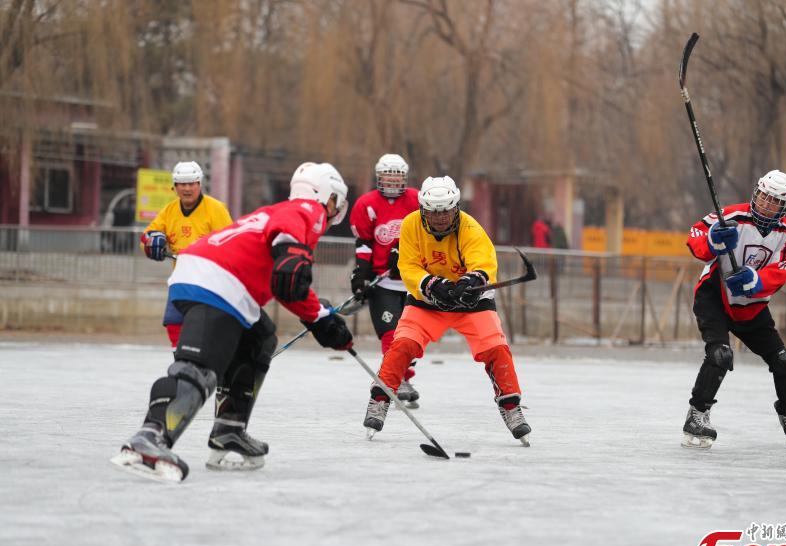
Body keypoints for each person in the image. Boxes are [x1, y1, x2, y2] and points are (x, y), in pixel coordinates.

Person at [112, 162, 354, 482]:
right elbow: (289, 252)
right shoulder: (308, 210)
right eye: (336, 200)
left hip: (214, 278)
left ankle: (230, 428)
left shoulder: (274, 212)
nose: (336, 208)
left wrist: (319, 316)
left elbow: (286, 285)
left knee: (261, 338)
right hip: (216, 283)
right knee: (199, 367)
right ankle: (151, 436)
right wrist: (295, 256)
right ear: (326, 195)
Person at [362, 175, 531, 446]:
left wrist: (470, 280)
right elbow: (408, 266)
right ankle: (379, 401)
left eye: (446, 211)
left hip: (472, 303)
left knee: (496, 348)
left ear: (456, 208)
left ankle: (511, 408)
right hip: (427, 302)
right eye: (433, 212)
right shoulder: (410, 225)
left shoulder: (470, 228)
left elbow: (484, 262)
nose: (440, 218)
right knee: (402, 343)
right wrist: (431, 284)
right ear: (422, 210)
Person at [682, 169, 786, 450]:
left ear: (785, 206)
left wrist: (756, 281)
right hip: (714, 297)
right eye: (764, 197)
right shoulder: (731, 216)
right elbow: (695, 236)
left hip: (751, 307)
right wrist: (713, 242)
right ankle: (697, 415)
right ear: (756, 193)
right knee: (720, 354)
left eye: (775, 202)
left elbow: (781, 271)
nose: (766, 205)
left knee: (785, 361)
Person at [349, 153, 422, 407]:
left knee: (412, 336)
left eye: (396, 177)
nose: (391, 182)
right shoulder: (366, 204)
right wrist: (361, 273)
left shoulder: (416, 200)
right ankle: (397, 380)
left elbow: (426, 234)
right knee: (390, 333)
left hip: (414, 280)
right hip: (384, 283)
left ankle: (405, 376)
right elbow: (365, 243)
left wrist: (402, 250)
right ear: (378, 178)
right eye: (387, 177)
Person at [140, 161, 233, 346]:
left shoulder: (216, 209)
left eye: (191, 183)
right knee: (174, 321)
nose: (187, 188)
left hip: (211, 281)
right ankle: (180, 358)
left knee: (207, 328)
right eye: (182, 184)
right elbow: (146, 237)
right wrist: (152, 242)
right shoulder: (169, 211)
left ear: (199, 184)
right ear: (174, 187)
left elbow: (231, 244)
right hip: (182, 278)